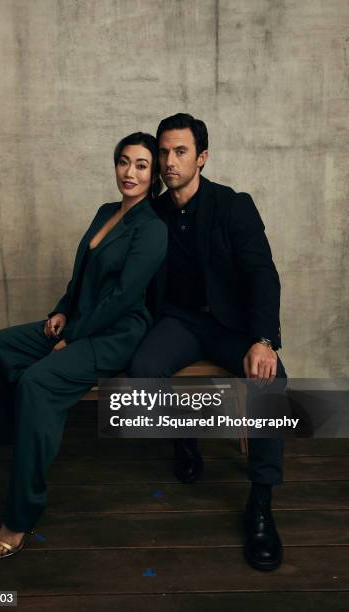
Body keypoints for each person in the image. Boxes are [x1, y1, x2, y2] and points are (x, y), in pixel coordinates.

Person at [0, 132, 167, 560]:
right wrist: (62, 310)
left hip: (116, 333)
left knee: (37, 383)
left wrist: (72, 337)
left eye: (140, 165)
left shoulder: (153, 228)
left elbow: (121, 297)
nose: (129, 172)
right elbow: (82, 275)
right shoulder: (105, 211)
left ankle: (20, 516)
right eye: (123, 161)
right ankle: (16, 446)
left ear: (153, 175)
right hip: (78, 320)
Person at [128, 113, 287, 571]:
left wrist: (262, 339)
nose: (168, 161)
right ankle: (185, 436)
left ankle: (260, 503)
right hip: (177, 322)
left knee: (269, 387)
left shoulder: (233, 205)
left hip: (231, 327)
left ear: (202, 157)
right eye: (163, 152)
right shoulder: (150, 212)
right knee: (141, 373)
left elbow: (262, 274)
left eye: (180, 151)